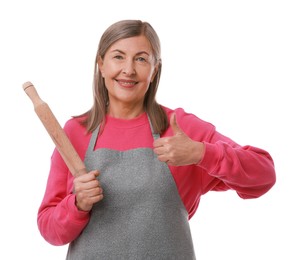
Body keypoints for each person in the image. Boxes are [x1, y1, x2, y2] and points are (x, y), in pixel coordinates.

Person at [37, 19, 276, 259]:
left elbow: (264, 174)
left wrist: (200, 153)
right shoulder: (75, 132)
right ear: (100, 64)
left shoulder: (180, 130)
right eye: (118, 57)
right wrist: (77, 205)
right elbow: (49, 229)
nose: (128, 70)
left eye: (141, 59)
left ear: (155, 70)